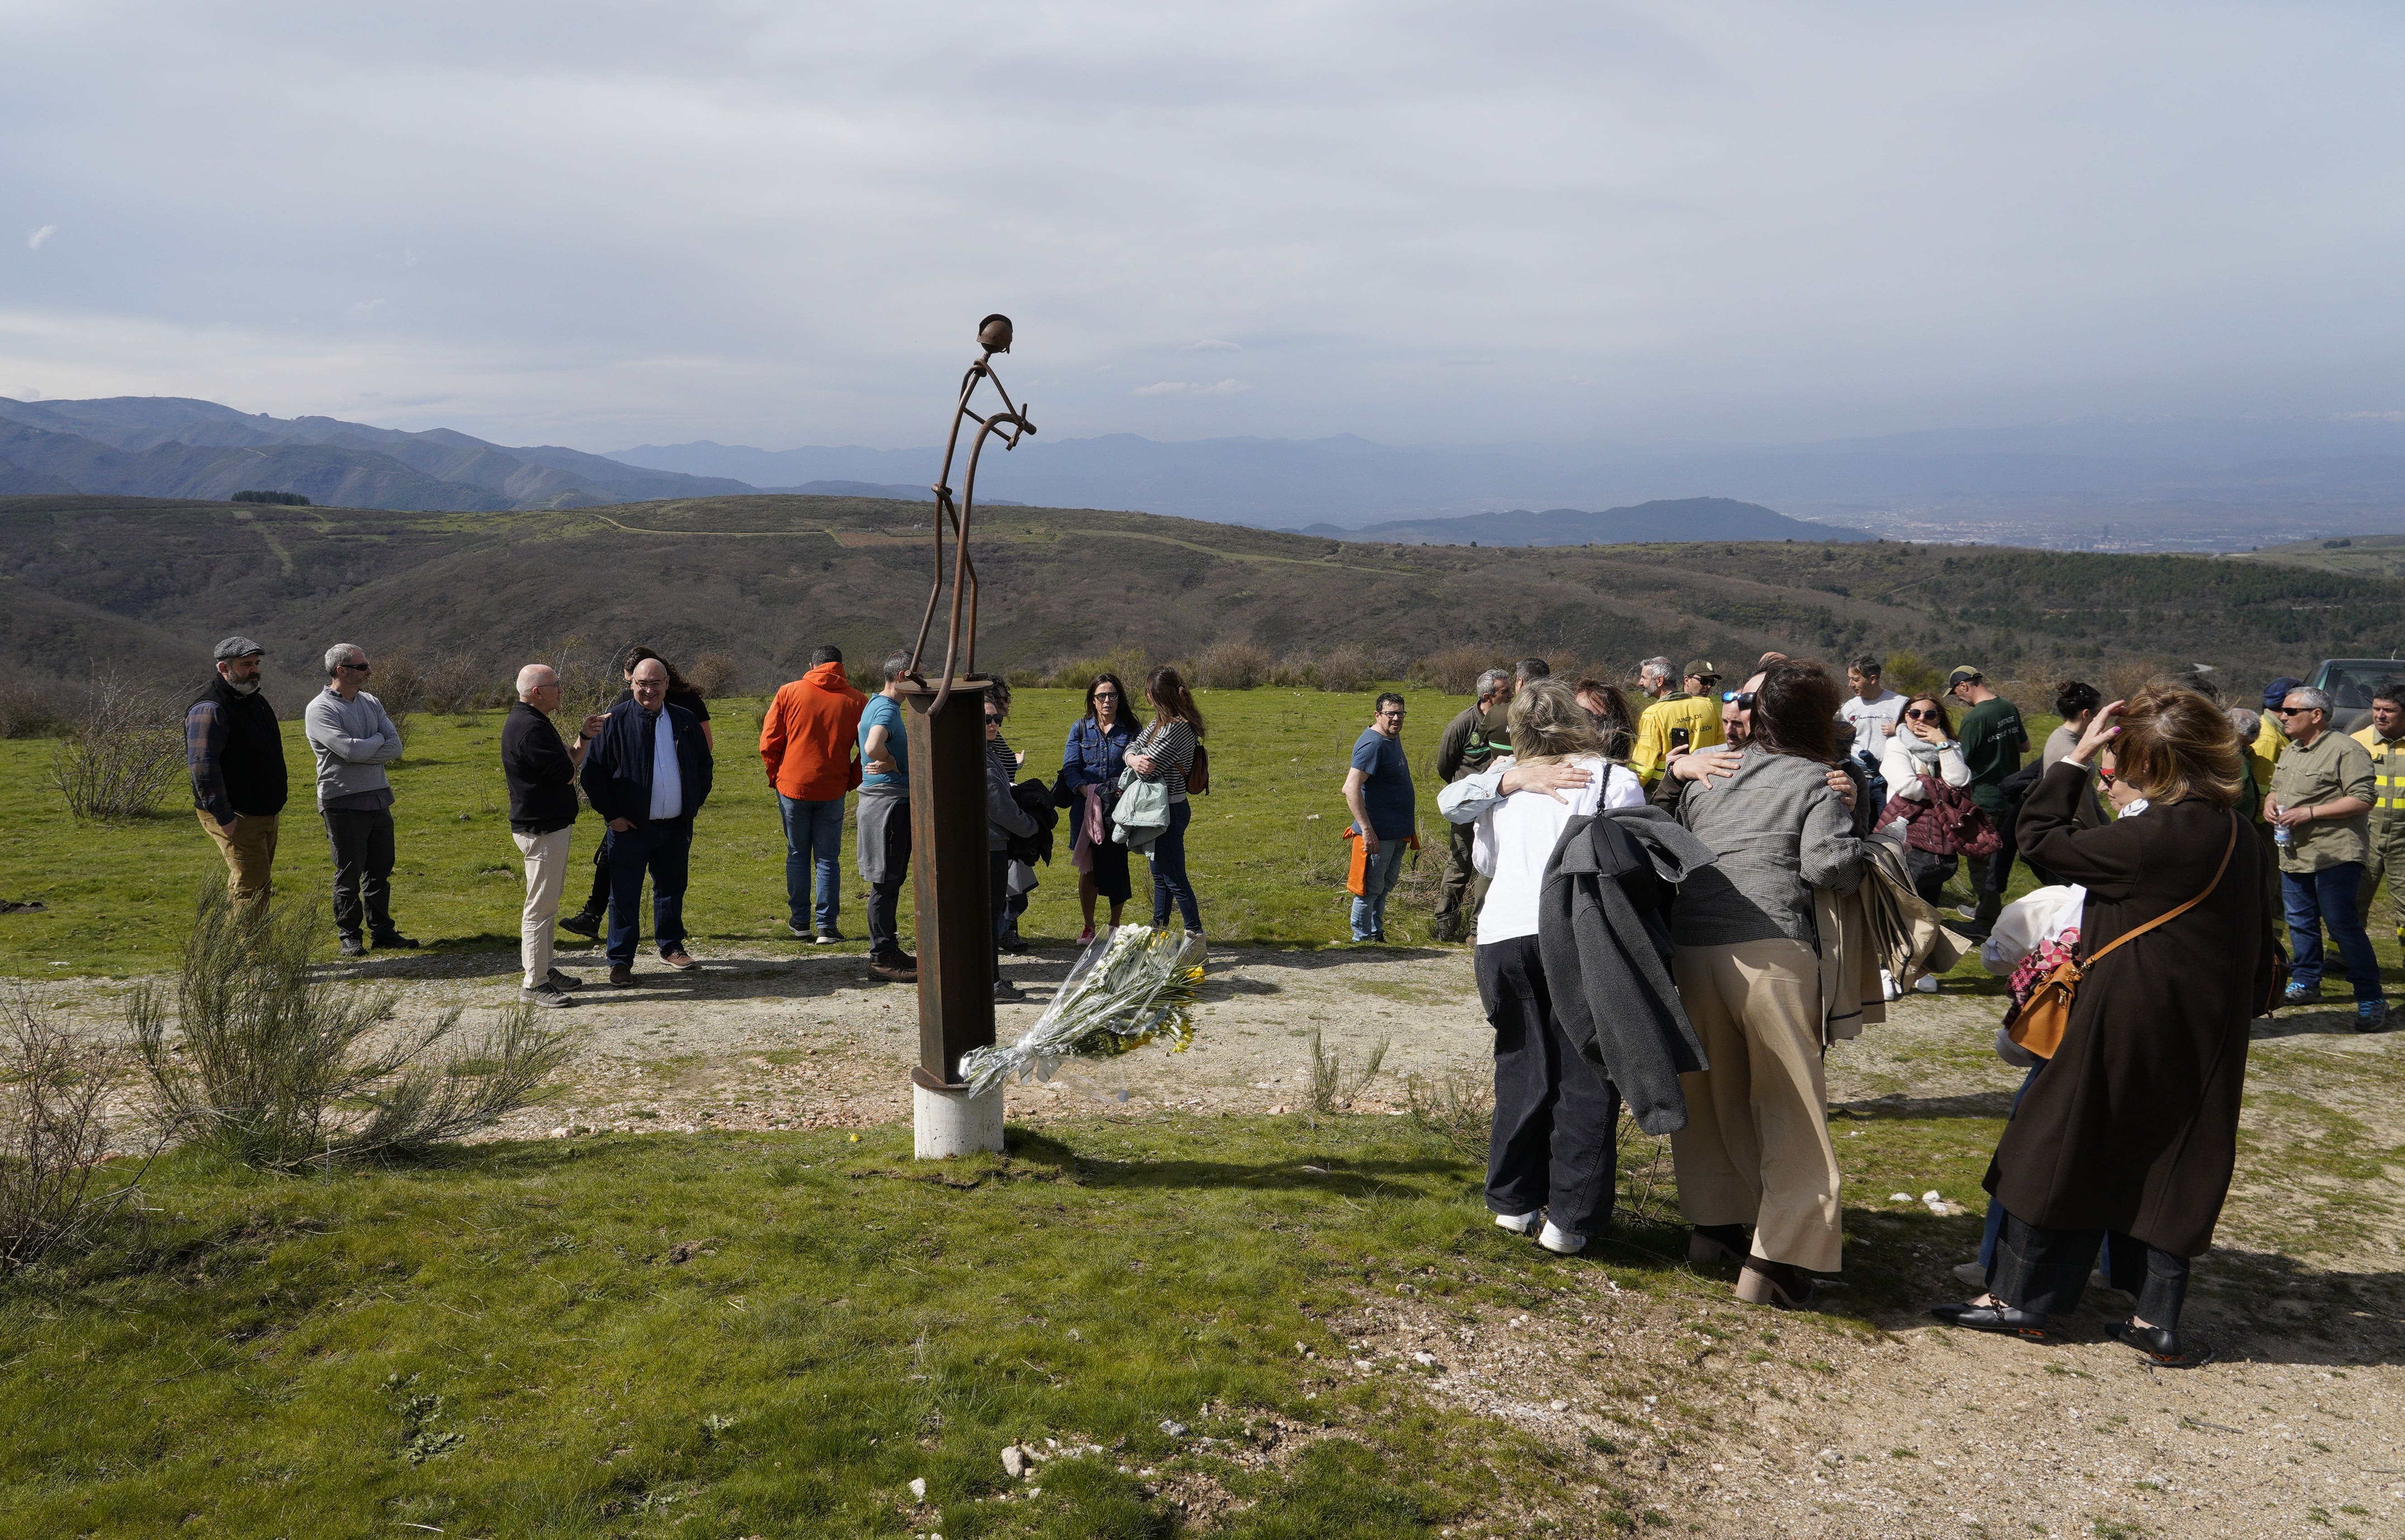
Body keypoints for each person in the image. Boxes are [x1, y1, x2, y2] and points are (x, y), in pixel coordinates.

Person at [1934, 686, 2275, 1368]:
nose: (2118, 766)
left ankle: (2024, 1299)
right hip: (2207, 1022)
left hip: (2128, 1010)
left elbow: (2040, 840)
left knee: (2055, 1141)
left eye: (2126, 755)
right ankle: (2157, 1318)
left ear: (2156, 761)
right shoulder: (2243, 834)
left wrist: (2074, 762)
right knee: (2176, 1155)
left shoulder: (2155, 835)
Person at [1657, 660, 1868, 1309]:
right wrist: (1872, 843)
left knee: (1715, 1096)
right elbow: (1826, 865)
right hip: (1771, 951)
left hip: (1693, 950)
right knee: (1791, 1109)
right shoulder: (1820, 780)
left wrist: (1676, 773)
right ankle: (1776, 1261)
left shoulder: (1708, 771)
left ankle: (1714, 1228)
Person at [1436, 678, 1647, 1254]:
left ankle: (1513, 1202)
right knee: (1586, 1074)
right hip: (1578, 931)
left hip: (1504, 933)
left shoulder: (1500, 787)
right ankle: (1570, 1221)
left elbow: (1486, 858)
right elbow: (1633, 857)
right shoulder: (1613, 779)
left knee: (1521, 1065)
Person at [560, 647, 714, 940]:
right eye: (639, 683)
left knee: (671, 889)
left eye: (654, 683)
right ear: (632, 683)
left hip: (675, 823)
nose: (647, 689)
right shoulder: (619, 713)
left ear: (666, 682)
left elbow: (704, 757)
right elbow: (595, 771)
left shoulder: (686, 711)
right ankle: (620, 959)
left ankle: (671, 946)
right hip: (630, 821)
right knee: (624, 891)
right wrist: (613, 814)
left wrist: (691, 804)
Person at [2267, 685, 2384, 1027]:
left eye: (2291, 712)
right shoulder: (2292, 750)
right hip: (2294, 854)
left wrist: (2311, 813)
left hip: (2334, 855)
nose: (2283, 717)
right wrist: (2270, 803)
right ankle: (2306, 982)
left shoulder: (2346, 750)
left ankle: (2370, 997)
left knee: (2343, 927)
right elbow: (2277, 788)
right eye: (2282, 711)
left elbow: (2363, 798)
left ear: (2316, 716)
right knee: (2301, 925)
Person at [503, 665, 608, 1007]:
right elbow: (566, 772)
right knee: (540, 907)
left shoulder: (535, 722)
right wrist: (569, 759)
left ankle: (546, 969)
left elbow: (570, 760)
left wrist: (584, 737)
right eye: (556, 685)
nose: (560, 689)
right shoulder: (529, 729)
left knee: (547, 903)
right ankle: (534, 983)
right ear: (538, 691)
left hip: (549, 825)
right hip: (541, 828)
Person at [303, 643, 413, 957]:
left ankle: (383, 932)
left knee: (381, 868)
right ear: (342, 671)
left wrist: (368, 746)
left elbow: (396, 748)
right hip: (342, 800)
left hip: (378, 796)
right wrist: (375, 741)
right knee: (349, 871)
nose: (369, 672)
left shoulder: (371, 702)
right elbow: (351, 751)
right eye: (363, 667)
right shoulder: (320, 709)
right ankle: (349, 936)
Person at [759, 645, 867, 943]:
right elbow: (868, 750)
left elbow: (768, 743)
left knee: (797, 853)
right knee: (828, 859)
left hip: (793, 786)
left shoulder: (789, 692)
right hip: (832, 788)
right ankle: (827, 927)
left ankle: (800, 922)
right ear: (842, 667)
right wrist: (850, 780)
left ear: (812, 664)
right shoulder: (858, 700)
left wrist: (777, 777)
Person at [185, 636, 289, 911]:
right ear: (224, 668)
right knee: (251, 888)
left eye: (256, 663)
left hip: (263, 811)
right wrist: (224, 817)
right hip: (237, 814)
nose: (254, 670)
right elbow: (202, 766)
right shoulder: (210, 708)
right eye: (246, 665)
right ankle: (248, 954)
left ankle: (232, 949)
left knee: (258, 884)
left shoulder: (255, 701)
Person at [1948, 666, 2031, 935]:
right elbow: (2025, 746)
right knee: (2001, 859)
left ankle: (1985, 922)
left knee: (1979, 859)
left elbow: (1960, 762)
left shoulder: (1975, 718)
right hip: (2011, 795)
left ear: (1964, 686)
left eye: (1957, 693)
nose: (1958, 698)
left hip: (1984, 797)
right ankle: (1993, 912)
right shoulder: (2007, 706)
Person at [1431, 667, 1512, 943]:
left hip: (1499, 804)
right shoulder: (1463, 725)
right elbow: (1445, 767)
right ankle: (1445, 922)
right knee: (1461, 861)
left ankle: (1479, 929)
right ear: (1489, 696)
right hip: (1469, 805)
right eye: (1505, 691)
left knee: (1490, 864)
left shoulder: (1510, 720)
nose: (1511, 694)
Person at [1126, 664, 1206, 941]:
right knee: (1160, 874)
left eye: (1148, 692)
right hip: (1164, 808)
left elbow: (1149, 766)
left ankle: (1195, 937)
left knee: (1174, 877)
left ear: (1156, 695)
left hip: (1168, 810)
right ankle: (1159, 932)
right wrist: (1133, 757)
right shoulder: (1163, 722)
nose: (1146, 696)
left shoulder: (1173, 728)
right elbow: (1135, 747)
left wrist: (1134, 759)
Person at [1878, 694, 1973, 926]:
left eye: (1930, 715)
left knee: (1929, 901)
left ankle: (1923, 954)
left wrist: (1943, 745)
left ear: (1938, 720)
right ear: (1905, 717)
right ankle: (1895, 951)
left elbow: (1960, 779)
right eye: (1914, 714)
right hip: (1904, 830)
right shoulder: (1896, 744)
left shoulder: (1950, 746)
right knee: (1901, 898)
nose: (1921, 719)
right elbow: (1907, 786)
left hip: (1939, 834)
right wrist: (1944, 790)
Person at [1061, 672, 1138, 942]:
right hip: (1085, 808)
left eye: (1113, 695)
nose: (1107, 701)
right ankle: (1089, 926)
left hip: (1118, 808)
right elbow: (1070, 767)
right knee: (1089, 867)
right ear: (1092, 700)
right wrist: (1088, 791)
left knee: (1117, 864)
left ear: (1120, 699)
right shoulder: (1080, 728)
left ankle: (1115, 925)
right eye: (1101, 696)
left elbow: (1136, 767)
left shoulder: (1130, 729)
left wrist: (1113, 792)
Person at [856, 652, 917, 983]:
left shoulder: (874, 703)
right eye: (917, 676)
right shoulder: (886, 708)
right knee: (886, 882)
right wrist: (893, 761)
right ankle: (881, 958)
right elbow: (871, 746)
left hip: (883, 804)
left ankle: (889, 949)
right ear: (903, 675)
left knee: (889, 881)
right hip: (888, 806)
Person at [1341, 693, 1416, 942]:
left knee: (1383, 887)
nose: (1396, 719)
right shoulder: (1373, 744)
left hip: (1396, 831)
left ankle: (1376, 935)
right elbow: (1350, 788)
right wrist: (1367, 830)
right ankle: (1361, 940)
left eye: (1400, 714)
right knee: (1369, 890)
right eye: (1390, 714)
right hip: (1377, 833)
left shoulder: (1390, 737)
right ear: (1377, 715)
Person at [986, 695, 1040, 1000]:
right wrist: (1031, 825)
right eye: (987, 720)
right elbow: (1000, 807)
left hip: (993, 842)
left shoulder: (988, 751)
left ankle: (989, 980)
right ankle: (991, 984)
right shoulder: (983, 757)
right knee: (991, 915)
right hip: (991, 845)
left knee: (990, 914)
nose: (993, 724)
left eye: (998, 719)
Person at [2354, 681, 2405, 947]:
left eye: (2389, 710)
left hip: (2403, 841)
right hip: (2366, 837)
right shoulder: (2357, 742)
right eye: (2376, 709)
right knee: (2353, 900)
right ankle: (2340, 957)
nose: (2380, 715)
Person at [1629, 660, 1726, 785]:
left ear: (1659, 681)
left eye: (1644, 678)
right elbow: (1721, 748)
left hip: (1665, 788)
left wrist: (1633, 791)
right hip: (1704, 784)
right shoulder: (1708, 706)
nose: (1640, 683)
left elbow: (1643, 767)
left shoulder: (1653, 714)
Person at [1837, 656, 1904, 753]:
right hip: (1858, 766)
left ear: (1873, 679)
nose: (1851, 685)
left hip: (1891, 765)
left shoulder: (1901, 704)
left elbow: (1916, 734)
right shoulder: (1848, 707)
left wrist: (1900, 729)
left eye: (1856, 680)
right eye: (1849, 679)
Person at [1572, 678, 1636, 763]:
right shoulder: (1554, 768)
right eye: (1585, 715)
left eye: (1604, 720)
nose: (1593, 724)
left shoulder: (1622, 775)